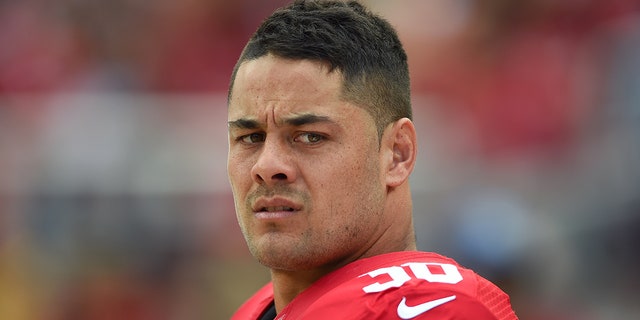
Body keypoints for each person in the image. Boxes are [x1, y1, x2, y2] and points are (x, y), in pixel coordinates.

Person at [226, 1, 519, 319]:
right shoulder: (255, 310)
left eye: (311, 136)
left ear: (397, 154)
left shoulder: (433, 307)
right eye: (251, 137)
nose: (267, 167)